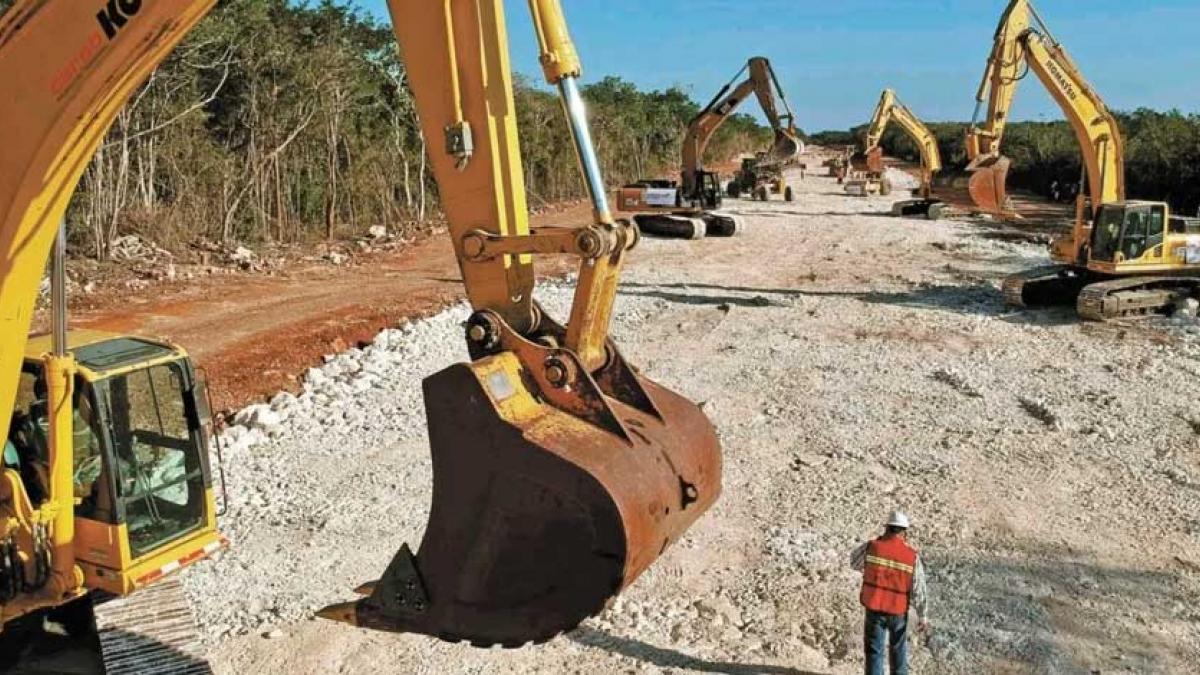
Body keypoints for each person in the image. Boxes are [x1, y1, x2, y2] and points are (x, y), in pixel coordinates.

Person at [850, 511, 929, 675]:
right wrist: (923, 616)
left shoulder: (872, 546)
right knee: (898, 652)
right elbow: (918, 588)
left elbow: (854, 563)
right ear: (904, 532)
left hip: (875, 608)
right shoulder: (911, 556)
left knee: (874, 652)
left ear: (886, 528)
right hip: (898, 611)